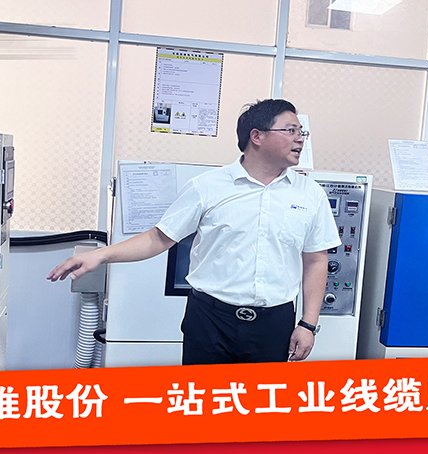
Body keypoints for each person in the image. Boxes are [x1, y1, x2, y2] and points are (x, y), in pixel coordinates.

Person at [48, 99, 341, 364]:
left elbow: (316, 260)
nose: (300, 138)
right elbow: (159, 238)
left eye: (301, 132)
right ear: (257, 136)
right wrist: (100, 255)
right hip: (210, 320)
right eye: (290, 130)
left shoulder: (310, 194)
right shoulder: (207, 186)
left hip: (274, 324)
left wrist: (308, 324)